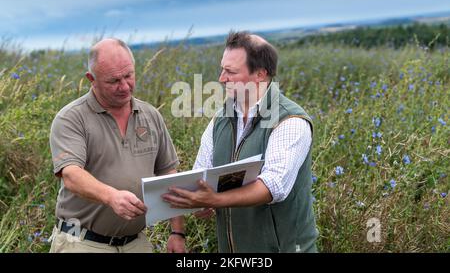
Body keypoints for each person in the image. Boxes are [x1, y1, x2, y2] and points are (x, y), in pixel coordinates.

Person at [163, 31, 318, 253]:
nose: (221, 78)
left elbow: (273, 187)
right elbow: (201, 174)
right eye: (222, 69)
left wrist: (214, 199)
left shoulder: (290, 120)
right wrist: (198, 200)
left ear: (260, 75)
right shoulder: (220, 119)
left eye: (231, 72)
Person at [49, 38, 185, 253]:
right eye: (113, 81)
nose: (124, 86)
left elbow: (169, 174)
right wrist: (111, 197)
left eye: (128, 76)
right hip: (82, 243)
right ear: (91, 79)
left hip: (135, 243)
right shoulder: (71, 118)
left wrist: (177, 232)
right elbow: (72, 175)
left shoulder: (151, 115)